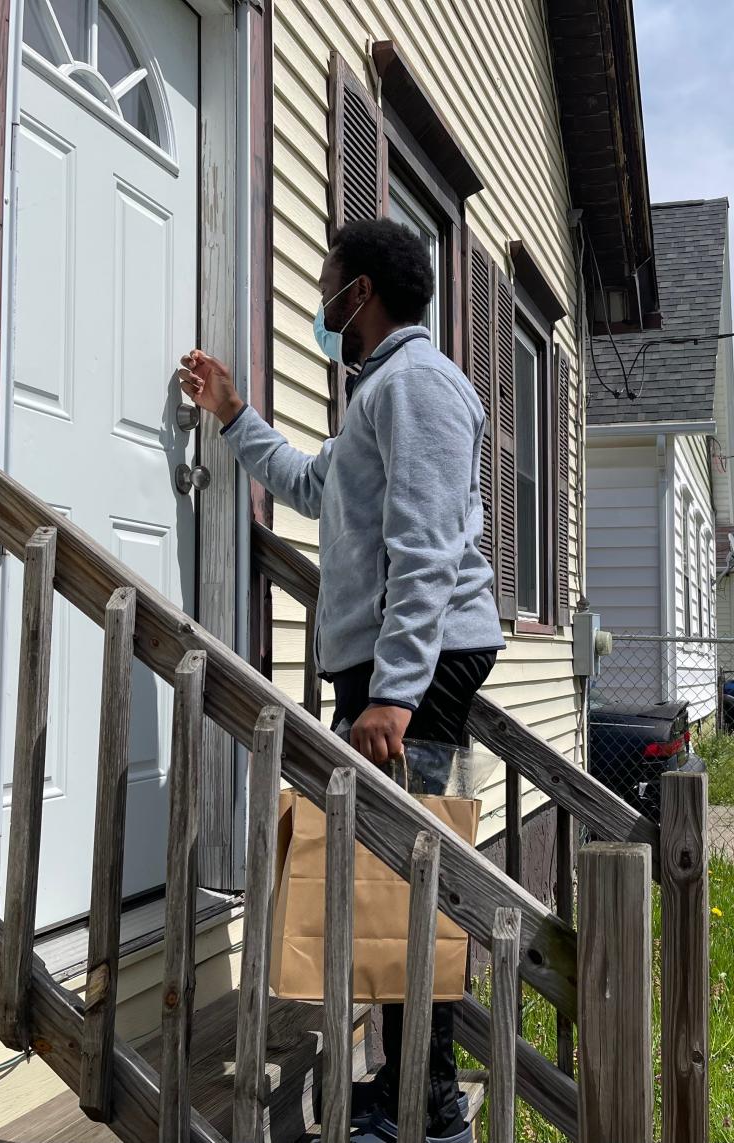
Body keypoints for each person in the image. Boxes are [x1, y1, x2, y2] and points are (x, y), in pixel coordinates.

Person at [179, 217, 504, 1142]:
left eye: (329, 285)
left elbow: (432, 551)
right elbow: (317, 486)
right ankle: (411, 1089)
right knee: (392, 873)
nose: (322, 303)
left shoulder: (420, 387)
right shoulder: (381, 393)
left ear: (358, 293)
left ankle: (427, 1104)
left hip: (417, 666)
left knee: (408, 878)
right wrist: (234, 416)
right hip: (395, 662)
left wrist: (395, 691)